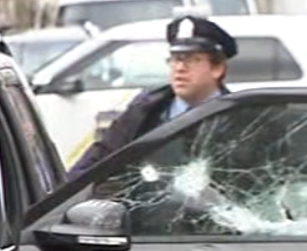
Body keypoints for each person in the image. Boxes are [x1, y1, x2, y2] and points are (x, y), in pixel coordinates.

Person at [67, 14, 238, 179]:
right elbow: (94, 164)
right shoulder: (144, 111)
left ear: (217, 69)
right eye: (175, 59)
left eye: (192, 60)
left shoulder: (240, 117)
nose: (180, 68)